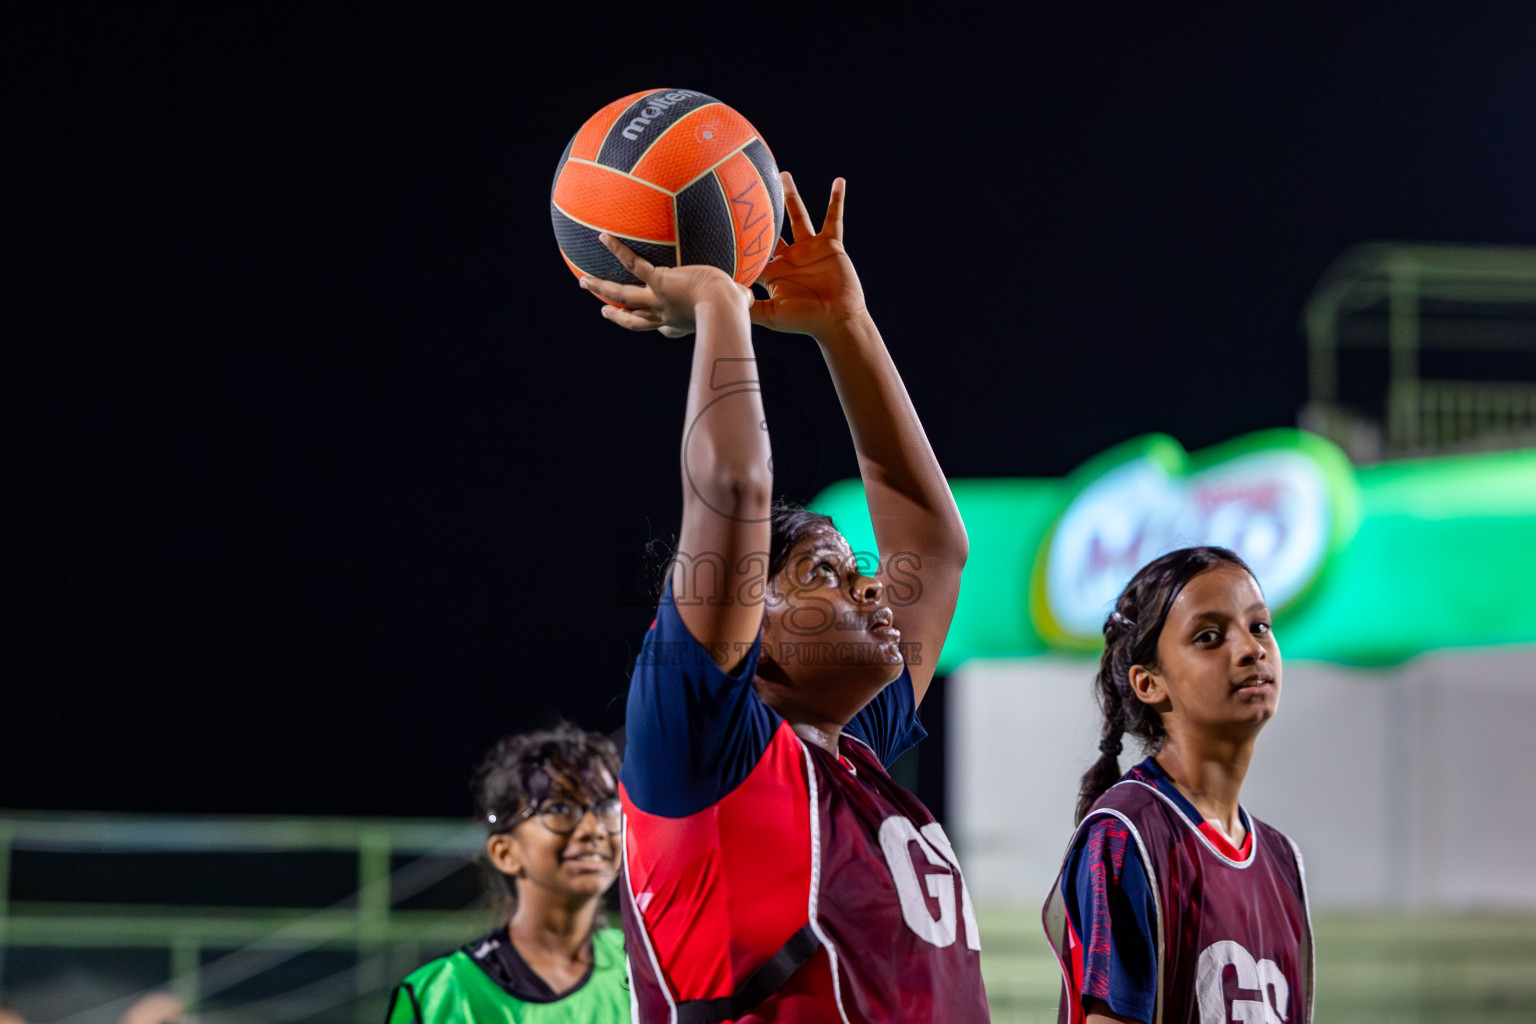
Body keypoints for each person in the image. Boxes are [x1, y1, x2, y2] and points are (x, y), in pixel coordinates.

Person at [581, 173, 987, 1023]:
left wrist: (847, 325)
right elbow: (732, 485)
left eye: (854, 568)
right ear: (745, 623)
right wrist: (722, 303)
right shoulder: (704, 738)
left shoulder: (852, 756)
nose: (874, 583)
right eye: (826, 572)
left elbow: (936, 551)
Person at [1041, 547, 1314, 1024]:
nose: (1251, 649)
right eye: (1209, 636)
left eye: (1260, 627)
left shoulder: (1282, 859)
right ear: (1149, 684)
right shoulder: (1126, 834)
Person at [386, 724, 629, 1023]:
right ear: (505, 852)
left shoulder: (641, 970)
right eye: (558, 808)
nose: (593, 829)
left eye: (606, 805)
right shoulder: (442, 995)